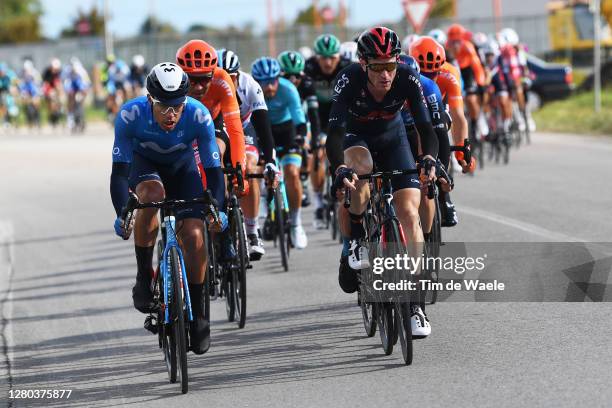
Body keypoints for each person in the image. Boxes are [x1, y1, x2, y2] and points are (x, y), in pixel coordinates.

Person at [326, 27, 439, 337]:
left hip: (393, 139)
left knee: (408, 211)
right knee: (359, 170)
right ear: (364, 64)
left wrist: (428, 158)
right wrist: (339, 167)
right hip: (356, 138)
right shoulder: (349, 79)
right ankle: (358, 241)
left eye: (391, 65)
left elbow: (426, 128)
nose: (386, 74)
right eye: (378, 67)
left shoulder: (406, 78)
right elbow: (333, 134)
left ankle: (415, 305)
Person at [110, 62, 226, 355]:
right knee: (150, 194)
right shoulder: (129, 115)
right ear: (150, 99)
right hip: (145, 166)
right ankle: (142, 276)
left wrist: (218, 209)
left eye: (177, 106)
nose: (172, 113)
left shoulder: (198, 115)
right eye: (164, 106)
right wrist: (122, 212)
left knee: (196, 234)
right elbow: (119, 174)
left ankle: (199, 311)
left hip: (183, 168)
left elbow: (214, 173)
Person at [217, 48, 279, 260]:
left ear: (237, 75)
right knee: (217, 170)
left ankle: (252, 231)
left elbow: (263, 126)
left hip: (244, 127)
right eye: (221, 77)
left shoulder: (250, 85)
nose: (226, 82)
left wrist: (270, 161)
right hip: (219, 129)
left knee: (249, 168)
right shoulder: (208, 87)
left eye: (230, 77)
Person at [410, 36, 475, 227]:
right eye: (425, 73)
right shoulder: (406, 73)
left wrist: (463, 149)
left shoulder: (449, 74)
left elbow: (458, 116)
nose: (431, 78)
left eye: (435, 73)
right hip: (411, 111)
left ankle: (444, 195)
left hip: (438, 107)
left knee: (442, 124)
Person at [251, 57, 309, 249]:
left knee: (292, 172)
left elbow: (299, 117)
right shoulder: (252, 91)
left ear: (278, 78)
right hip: (262, 132)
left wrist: (301, 136)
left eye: (273, 80)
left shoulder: (288, 88)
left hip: (286, 131)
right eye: (264, 82)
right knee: (256, 169)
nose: (269, 87)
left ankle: (296, 223)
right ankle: (263, 208)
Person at [304, 34, 353, 228]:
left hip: (341, 114)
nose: (327, 62)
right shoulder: (308, 68)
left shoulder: (347, 67)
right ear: (316, 58)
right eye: (323, 57)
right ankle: (318, 201)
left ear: (339, 57)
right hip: (316, 116)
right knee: (316, 151)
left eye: (332, 57)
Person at [278, 50, 326, 228]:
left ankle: (303, 181)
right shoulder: (276, 85)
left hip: (300, 120)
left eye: (296, 76)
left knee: (310, 145)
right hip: (281, 121)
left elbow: (313, 115)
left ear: (302, 74)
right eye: (287, 76)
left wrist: (313, 141)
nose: (292, 80)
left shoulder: (307, 83)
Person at [446, 24, 486, 146]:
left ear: (462, 40)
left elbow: (478, 68)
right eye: (452, 42)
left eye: (458, 42)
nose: (455, 45)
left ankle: (475, 123)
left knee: (471, 99)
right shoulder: (447, 49)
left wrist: (480, 84)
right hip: (454, 73)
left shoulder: (468, 47)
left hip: (467, 71)